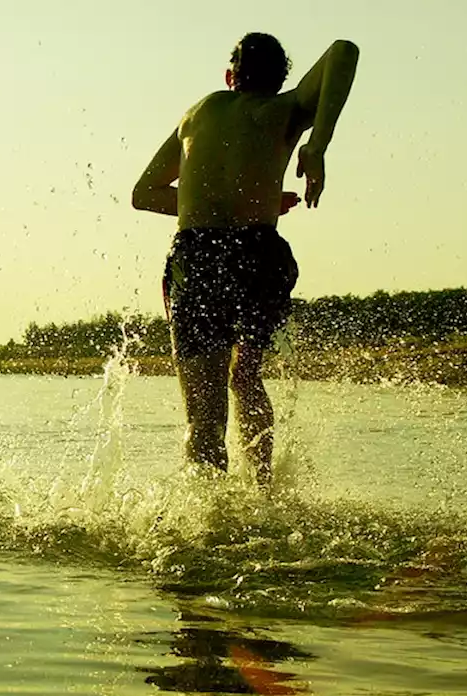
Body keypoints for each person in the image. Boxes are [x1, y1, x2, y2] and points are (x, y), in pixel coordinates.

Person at [131, 33, 359, 485]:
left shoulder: (197, 113)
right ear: (281, 79)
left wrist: (213, 201)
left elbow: (144, 195)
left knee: (204, 415)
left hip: (197, 255)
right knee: (246, 379)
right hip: (259, 253)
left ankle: (207, 519)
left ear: (230, 76)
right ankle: (263, 495)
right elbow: (343, 51)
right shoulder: (287, 110)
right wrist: (317, 146)